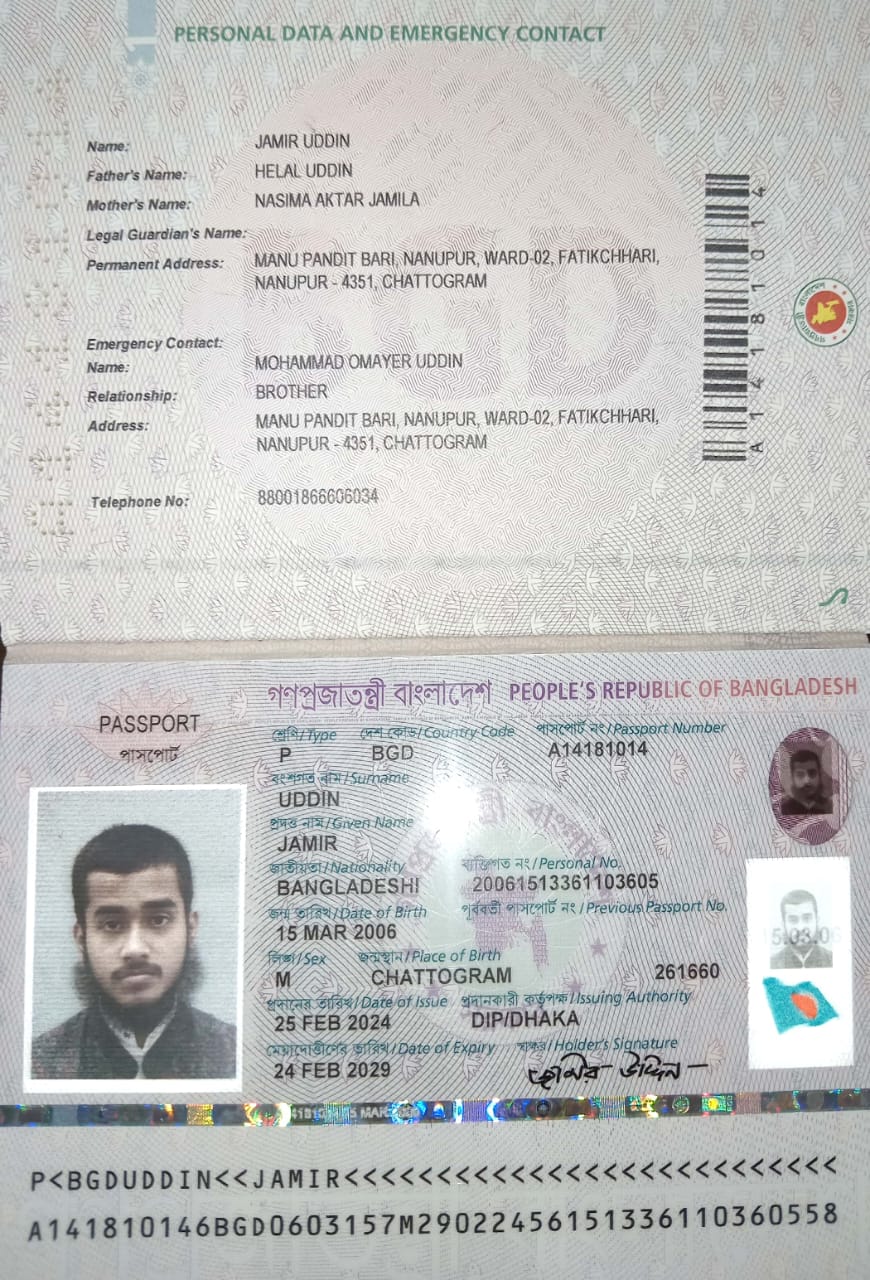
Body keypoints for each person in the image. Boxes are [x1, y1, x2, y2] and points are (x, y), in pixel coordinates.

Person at [31, 824, 236, 1080]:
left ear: (191, 928)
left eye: (158, 920)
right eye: (112, 924)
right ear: (81, 938)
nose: (135, 949)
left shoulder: (235, 1055)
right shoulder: (38, 1065)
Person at [770, 889, 833, 969]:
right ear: (783, 924)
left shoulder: (832, 960)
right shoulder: (772, 964)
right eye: (793, 920)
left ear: (817, 920)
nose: (800, 928)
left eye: (807, 918)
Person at [780, 748, 832, 816]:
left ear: (819, 775)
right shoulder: (784, 810)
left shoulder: (830, 807)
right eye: (800, 774)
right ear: (792, 778)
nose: (807, 781)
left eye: (812, 773)